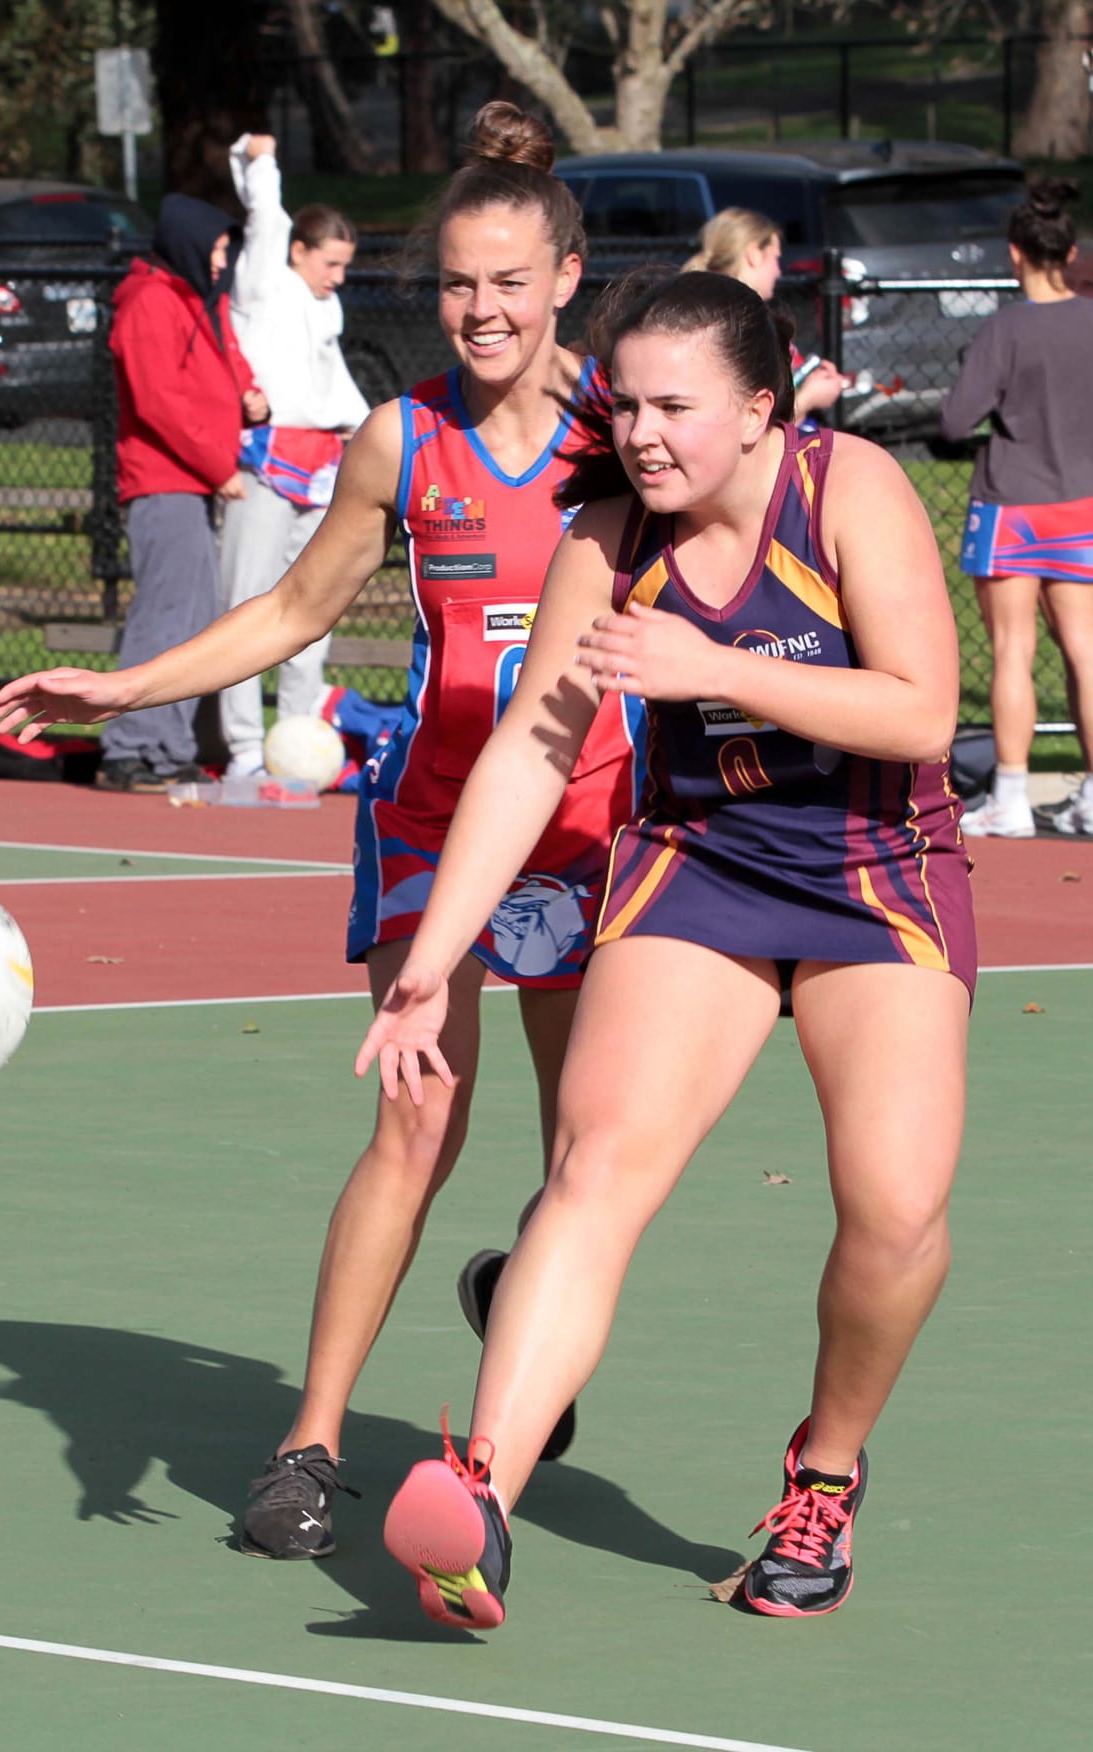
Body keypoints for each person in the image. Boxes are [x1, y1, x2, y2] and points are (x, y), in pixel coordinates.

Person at [0, 103, 639, 1560]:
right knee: (418, 1115)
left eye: (510, 282)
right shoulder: (401, 441)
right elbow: (291, 610)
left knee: (588, 1151)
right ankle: (311, 1444)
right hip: (431, 821)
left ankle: (517, 1340)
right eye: (460, 283)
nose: (483, 309)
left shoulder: (628, 441)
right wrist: (125, 682)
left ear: (566, 282)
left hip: (592, 822)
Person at [360, 269, 974, 1631]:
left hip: (873, 871)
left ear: (761, 408)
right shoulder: (608, 533)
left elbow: (925, 711)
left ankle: (823, 1472)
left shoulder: (851, 488)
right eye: (624, 400)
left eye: (674, 405)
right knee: (595, 1169)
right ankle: (482, 1501)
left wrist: (718, 669)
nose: (641, 430)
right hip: (700, 864)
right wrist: (432, 955)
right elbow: (534, 747)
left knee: (896, 1210)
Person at [100, 192, 269, 793]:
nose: (223, 261)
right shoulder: (148, 302)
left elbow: (229, 363)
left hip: (194, 481)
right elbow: (159, 403)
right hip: (163, 480)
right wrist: (216, 465)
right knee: (166, 613)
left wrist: (252, 398)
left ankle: (168, 745)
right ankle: (129, 746)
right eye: (218, 249)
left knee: (194, 613)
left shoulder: (199, 299)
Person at [940, 174, 1093, 838]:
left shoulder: (1004, 329)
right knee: (1085, 651)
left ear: (1014, 253)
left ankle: (1011, 797)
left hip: (1011, 506)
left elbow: (954, 420)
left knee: (1012, 650)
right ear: (1070, 251)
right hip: (1083, 503)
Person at [218, 132, 371, 778]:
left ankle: (298, 742)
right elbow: (266, 220)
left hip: (324, 463)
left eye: (344, 266)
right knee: (248, 603)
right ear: (297, 253)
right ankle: (246, 748)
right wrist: (262, 160)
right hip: (267, 462)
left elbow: (338, 393)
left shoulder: (325, 307)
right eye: (328, 263)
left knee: (314, 604)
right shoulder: (266, 284)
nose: (337, 277)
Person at [684, 207, 846, 428]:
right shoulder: (735, 324)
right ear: (754, 254)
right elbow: (743, 427)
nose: (779, 272)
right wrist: (809, 399)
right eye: (776, 258)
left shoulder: (700, 309)